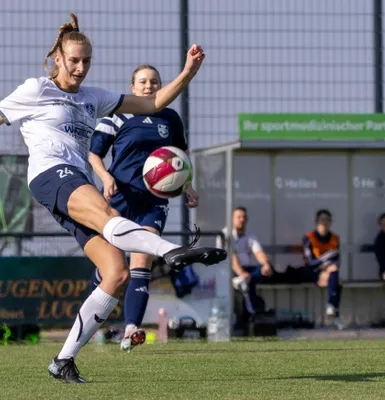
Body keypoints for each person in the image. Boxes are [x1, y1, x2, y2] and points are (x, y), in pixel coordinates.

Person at [0, 14, 226, 383]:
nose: (80, 68)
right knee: (107, 213)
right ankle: (171, 250)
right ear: (58, 58)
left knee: (116, 273)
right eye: (74, 60)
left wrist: (188, 72)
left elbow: (152, 103)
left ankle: (63, 361)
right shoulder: (35, 89)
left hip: (76, 180)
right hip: (51, 175)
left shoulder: (95, 97)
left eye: (86, 61)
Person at [89, 64, 199, 352]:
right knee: (110, 270)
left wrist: (188, 186)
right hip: (119, 198)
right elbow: (94, 154)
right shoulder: (116, 114)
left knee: (141, 264)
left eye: (154, 82)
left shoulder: (170, 117)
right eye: (143, 82)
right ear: (132, 87)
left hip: (152, 202)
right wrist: (106, 177)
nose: (149, 86)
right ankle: (89, 322)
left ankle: (130, 330)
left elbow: (180, 157)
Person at [216, 207, 274, 323]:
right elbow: (231, 258)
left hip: (248, 271)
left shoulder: (250, 235)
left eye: (244, 217)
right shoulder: (225, 234)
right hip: (229, 270)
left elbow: (259, 252)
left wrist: (266, 265)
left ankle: (251, 313)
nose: (242, 220)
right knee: (246, 282)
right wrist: (241, 273)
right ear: (232, 219)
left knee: (264, 270)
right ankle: (250, 314)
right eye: (239, 217)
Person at [302, 209, 344, 329]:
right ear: (316, 222)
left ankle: (331, 308)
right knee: (335, 278)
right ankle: (334, 313)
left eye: (327, 220)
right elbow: (310, 262)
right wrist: (328, 257)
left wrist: (326, 266)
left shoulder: (335, 238)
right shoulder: (308, 238)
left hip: (328, 270)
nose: (324, 223)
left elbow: (337, 260)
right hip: (312, 271)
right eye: (322, 220)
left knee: (336, 277)